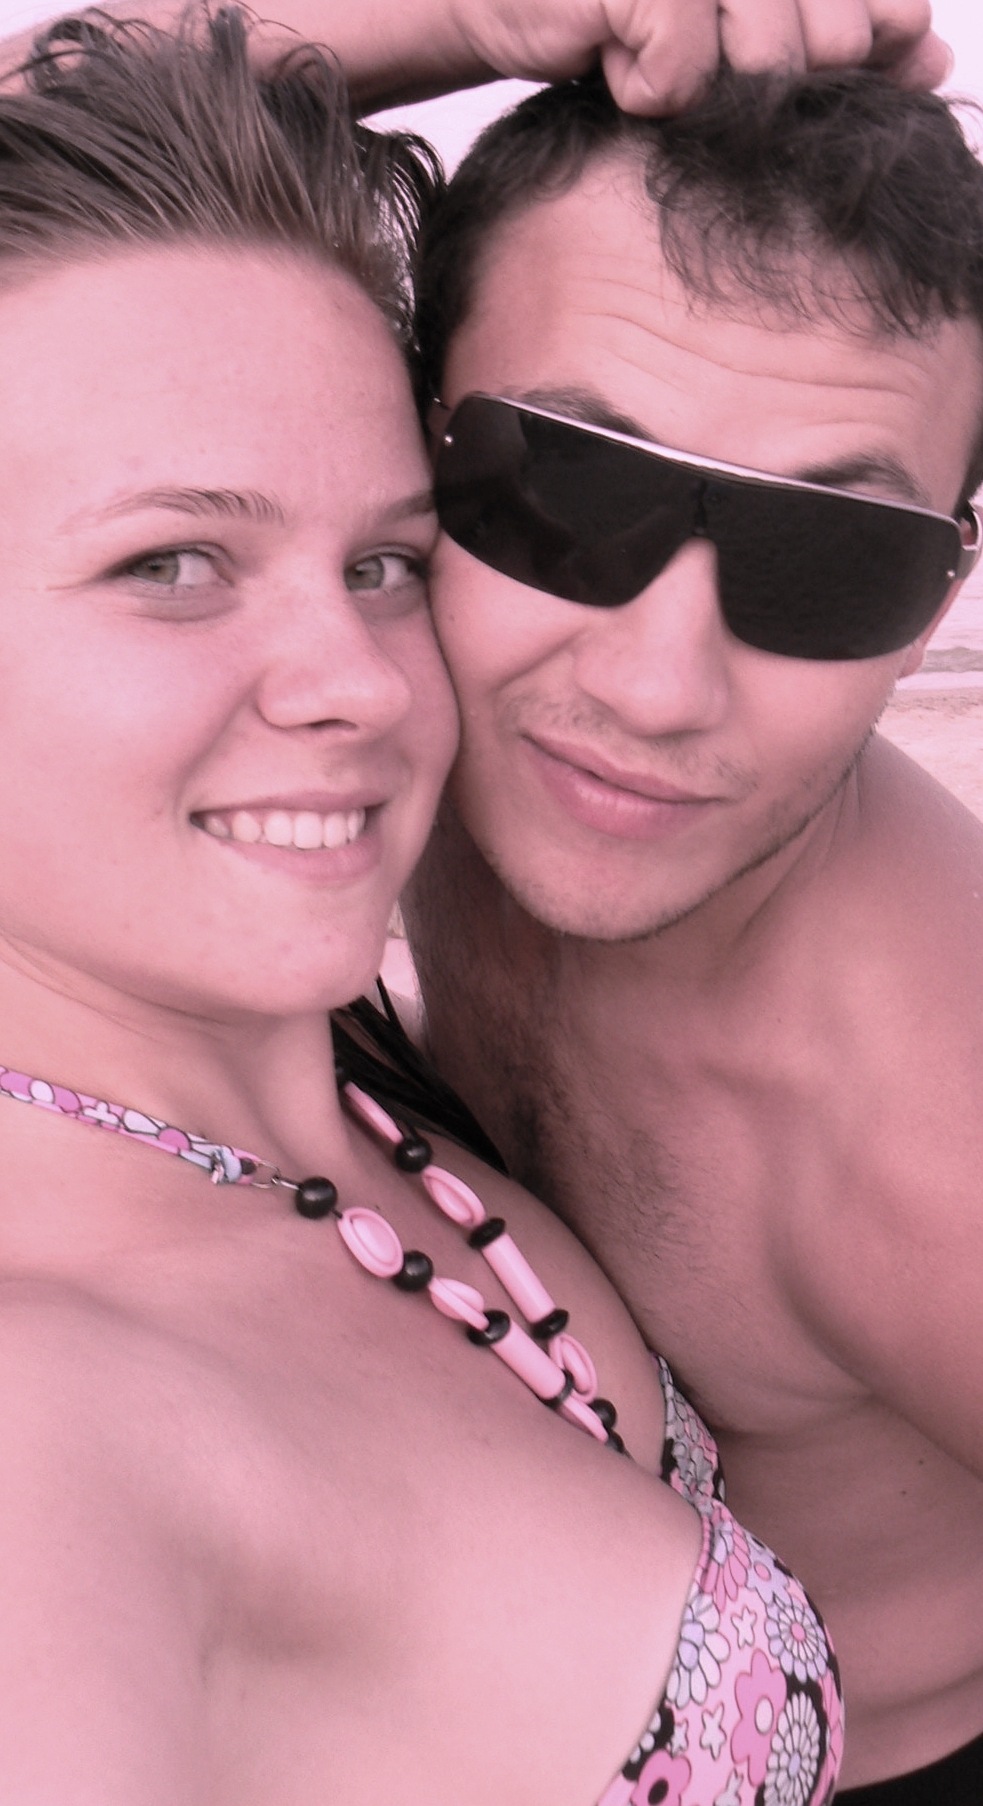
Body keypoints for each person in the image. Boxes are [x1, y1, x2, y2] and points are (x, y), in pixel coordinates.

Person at [0, 8, 850, 1803]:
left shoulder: (352, 1105)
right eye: (175, 562)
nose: (363, 683)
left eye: (386, 560)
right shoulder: (43, 1428)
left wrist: (483, 27)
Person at [400, 61, 983, 1806]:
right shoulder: (380, 746)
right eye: (566, 490)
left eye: (827, 561)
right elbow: (68, 209)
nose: (658, 689)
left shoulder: (926, 1143)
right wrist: (465, 16)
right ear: (403, 434)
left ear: (938, 594)